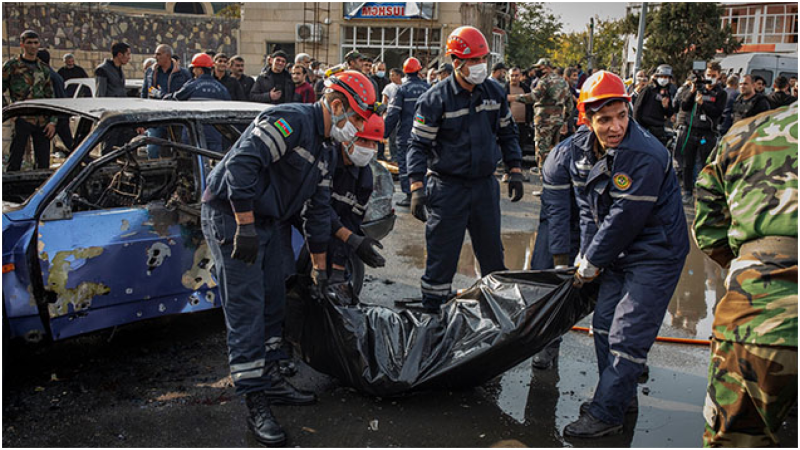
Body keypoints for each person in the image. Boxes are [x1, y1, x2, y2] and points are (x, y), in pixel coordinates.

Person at [201, 70, 378, 446]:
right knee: (247, 309)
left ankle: (272, 381)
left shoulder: (326, 148)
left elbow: (317, 212)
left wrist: (319, 271)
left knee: (274, 301)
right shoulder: (292, 120)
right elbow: (241, 165)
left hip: (269, 222)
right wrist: (244, 225)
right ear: (336, 105)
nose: (359, 127)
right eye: (358, 118)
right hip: (231, 215)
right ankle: (255, 401)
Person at [559, 71, 689, 438]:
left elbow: (623, 218)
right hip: (616, 250)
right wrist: (586, 256)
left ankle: (606, 413)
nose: (615, 126)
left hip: (655, 252)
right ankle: (620, 395)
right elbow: (589, 208)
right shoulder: (582, 148)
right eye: (604, 120)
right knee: (602, 325)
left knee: (627, 335)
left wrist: (594, 260)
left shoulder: (645, 154)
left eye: (621, 116)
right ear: (586, 119)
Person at [694, 102, 797, 447]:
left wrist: (751, 268)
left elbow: (708, 223)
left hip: (757, 316)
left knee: (736, 439)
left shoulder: (746, 133)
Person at [407, 26, 524, 311]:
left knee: (492, 255)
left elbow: (508, 134)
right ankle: (433, 313)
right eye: (473, 61)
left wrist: (516, 169)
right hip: (448, 188)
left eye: (482, 59)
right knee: (442, 255)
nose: (479, 66)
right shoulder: (435, 99)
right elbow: (417, 145)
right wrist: (416, 187)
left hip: (484, 186)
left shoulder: (494, 92)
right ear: (456, 62)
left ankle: (499, 316)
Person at [326, 113, 387, 287]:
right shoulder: (326, 160)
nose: (369, 148)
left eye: (373, 143)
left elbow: (351, 222)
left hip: (330, 230)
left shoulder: (364, 178)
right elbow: (317, 208)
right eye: (363, 141)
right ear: (347, 139)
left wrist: (338, 268)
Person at [2, 30, 57, 171]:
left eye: (35, 43)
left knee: (43, 164)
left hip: (42, 120)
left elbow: (50, 95)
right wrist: (10, 113)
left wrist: (52, 122)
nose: (33, 46)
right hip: (22, 119)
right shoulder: (12, 66)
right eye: (29, 43)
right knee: (15, 160)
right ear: (22, 45)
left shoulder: (43, 68)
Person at [675, 61, 726, 204]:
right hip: (691, 131)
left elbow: (718, 112)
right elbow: (684, 106)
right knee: (687, 164)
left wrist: (704, 104)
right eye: (708, 75)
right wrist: (692, 91)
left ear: (719, 76)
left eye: (713, 75)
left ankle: (703, 193)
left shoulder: (721, 93)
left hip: (707, 134)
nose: (710, 78)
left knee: (704, 164)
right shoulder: (697, 89)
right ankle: (687, 192)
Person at [383, 57, 430, 207]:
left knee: (405, 164)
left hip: (405, 134)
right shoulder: (428, 88)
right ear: (419, 70)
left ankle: (410, 195)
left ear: (404, 72)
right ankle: (424, 192)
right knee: (424, 162)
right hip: (425, 133)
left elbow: (392, 114)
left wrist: (383, 133)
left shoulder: (401, 90)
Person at [163, 53, 231, 153]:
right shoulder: (222, 89)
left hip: (193, 133)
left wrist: (160, 95)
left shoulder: (192, 86)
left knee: (193, 164)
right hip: (215, 134)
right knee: (214, 163)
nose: (193, 71)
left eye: (194, 69)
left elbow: (174, 98)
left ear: (200, 69)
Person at [513, 57, 573, 169]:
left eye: (539, 68)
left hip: (544, 121)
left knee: (542, 151)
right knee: (555, 150)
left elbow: (533, 97)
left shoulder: (545, 81)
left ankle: (544, 175)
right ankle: (554, 173)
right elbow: (569, 104)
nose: (537, 71)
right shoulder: (562, 81)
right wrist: (564, 119)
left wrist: (514, 98)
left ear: (546, 68)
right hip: (558, 121)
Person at [141, 44, 191, 158]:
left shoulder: (183, 73)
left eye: (159, 54)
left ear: (168, 55)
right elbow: (144, 94)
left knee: (180, 150)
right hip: (155, 118)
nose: (155, 57)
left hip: (176, 119)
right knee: (152, 148)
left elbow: (187, 95)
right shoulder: (150, 72)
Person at [36, 49, 74, 153]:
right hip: (62, 114)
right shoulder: (56, 75)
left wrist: (52, 121)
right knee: (71, 146)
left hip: (55, 116)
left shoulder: (47, 76)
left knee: (42, 147)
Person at [633, 64, 674, 146]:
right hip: (645, 128)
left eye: (666, 77)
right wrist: (637, 127)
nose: (664, 79)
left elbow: (669, 113)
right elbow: (637, 107)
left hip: (658, 130)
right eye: (662, 76)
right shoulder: (648, 90)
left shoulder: (667, 93)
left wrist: (665, 106)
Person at [505, 67, 533, 154]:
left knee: (520, 145)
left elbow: (530, 103)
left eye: (516, 75)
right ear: (508, 76)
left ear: (520, 76)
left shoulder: (525, 88)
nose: (514, 78)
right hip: (509, 123)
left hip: (523, 123)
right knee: (509, 145)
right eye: (512, 76)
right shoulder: (504, 88)